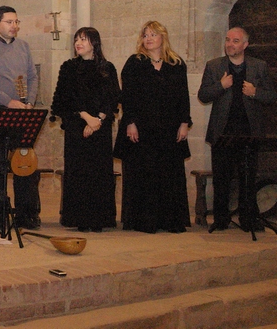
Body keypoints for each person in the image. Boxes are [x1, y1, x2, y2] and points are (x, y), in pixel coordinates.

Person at [114, 21, 192, 233]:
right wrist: (130, 122)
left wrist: (184, 123)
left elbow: (183, 96)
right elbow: (127, 97)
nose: (148, 38)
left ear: (162, 38)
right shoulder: (135, 62)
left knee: (168, 174)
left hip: (169, 128)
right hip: (142, 128)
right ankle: (143, 221)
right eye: (145, 35)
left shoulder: (176, 63)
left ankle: (169, 220)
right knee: (144, 175)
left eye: (152, 35)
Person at [197, 27, 276, 232]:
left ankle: (248, 219)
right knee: (221, 179)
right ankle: (221, 219)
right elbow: (203, 95)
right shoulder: (214, 66)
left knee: (247, 179)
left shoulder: (259, 67)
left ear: (245, 45)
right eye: (227, 40)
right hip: (222, 132)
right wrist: (221, 86)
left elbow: (271, 96)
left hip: (249, 132)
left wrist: (255, 92)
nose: (230, 44)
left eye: (235, 40)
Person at [0, 6, 42, 229]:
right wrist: (8, 102)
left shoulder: (24, 46)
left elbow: (32, 76)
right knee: (0, 166)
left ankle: (26, 214)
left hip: (24, 112)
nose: (14, 26)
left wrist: (29, 102)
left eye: (16, 22)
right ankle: (0, 215)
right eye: (9, 22)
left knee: (25, 162)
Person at [50, 27, 120, 232]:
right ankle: (78, 217)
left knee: (99, 173)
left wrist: (98, 119)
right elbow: (63, 99)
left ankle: (100, 218)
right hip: (76, 128)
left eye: (83, 39)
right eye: (76, 40)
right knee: (79, 173)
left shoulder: (108, 67)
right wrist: (86, 117)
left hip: (100, 129)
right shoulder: (68, 67)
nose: (78, 43)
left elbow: (113, 97)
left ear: (94, 43)